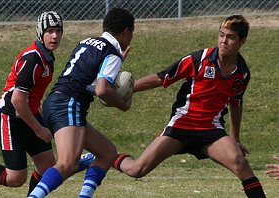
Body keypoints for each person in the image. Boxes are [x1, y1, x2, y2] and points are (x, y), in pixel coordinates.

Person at [112, 15, 266, 197]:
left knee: (241, 163)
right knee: (137, 169)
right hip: (181, 126)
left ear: (242, 41)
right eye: (221, 35)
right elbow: (161, 78)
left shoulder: (242, 73)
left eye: (230, 37)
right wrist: (126, 90)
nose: (224, 41)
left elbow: (236, 103)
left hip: (211, 131)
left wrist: (235, 138)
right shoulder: (200, 58)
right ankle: (106, 156)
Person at [0, 11, 91, 196]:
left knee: (48, 168)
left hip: (27, 114)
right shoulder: (34, 58)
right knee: (15, 178)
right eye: (49, 31)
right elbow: (17, 100)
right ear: (40, 33)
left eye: (58, 31)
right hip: (10, 117)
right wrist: (38, 129)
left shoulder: (46, 56)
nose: (54, 36)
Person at [27, 8, 135, 198]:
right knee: (68, 163)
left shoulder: (88, 42)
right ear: (126, 31)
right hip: (69, 103)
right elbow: (102, 89)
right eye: (131, 33)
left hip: (55, 102)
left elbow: (88, 74)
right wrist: (123, 104)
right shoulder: (112, 53)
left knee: (107, 153)